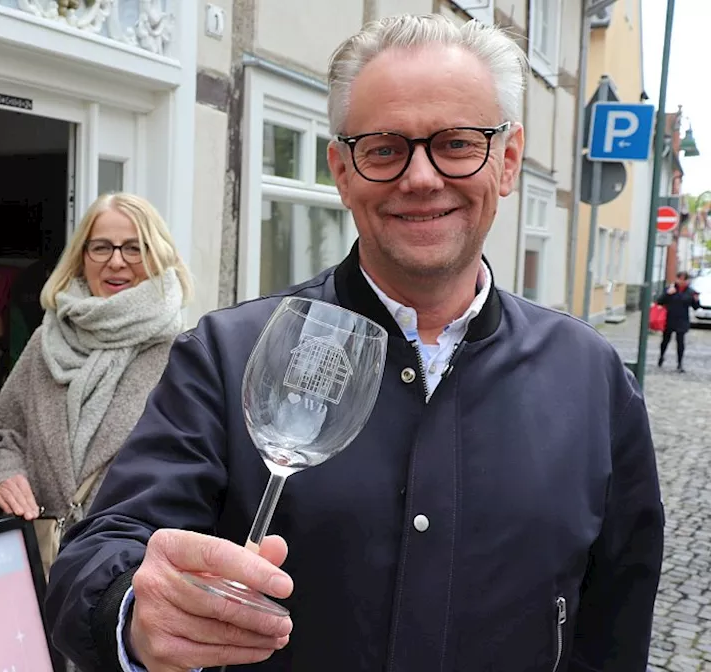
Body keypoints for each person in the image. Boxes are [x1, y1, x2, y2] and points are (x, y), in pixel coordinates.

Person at [45, 15, 663, 672]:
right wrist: (134, 612)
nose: (421, 177)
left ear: (507, 162)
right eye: (384, 148)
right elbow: (96, 556)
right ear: (342, 169)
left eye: (457, 143)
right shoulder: (229, 357)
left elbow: (617, 616)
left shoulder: (590, 377)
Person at [0, 192, 191, 576]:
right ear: (82, 257)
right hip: (41, 568)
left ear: (157, 255)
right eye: (101, 247)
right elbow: (4, 433)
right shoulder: (45, 342)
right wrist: (7, 475)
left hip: (130, 576)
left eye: (134, 248)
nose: (116, 261)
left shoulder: (183, 353)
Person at [656, 271, 700, 372]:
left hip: (682, 320)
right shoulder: (671, 289)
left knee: (680, 342)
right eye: (680, 279)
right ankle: (661, 357)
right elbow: (659, 301)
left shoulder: (691, 292)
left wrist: (696, 300)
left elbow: (696, 307)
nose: (682, 281)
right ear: (677, 279)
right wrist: (667, 294)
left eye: (685, 279)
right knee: (665, 340)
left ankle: (680, 364)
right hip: (669, 319)